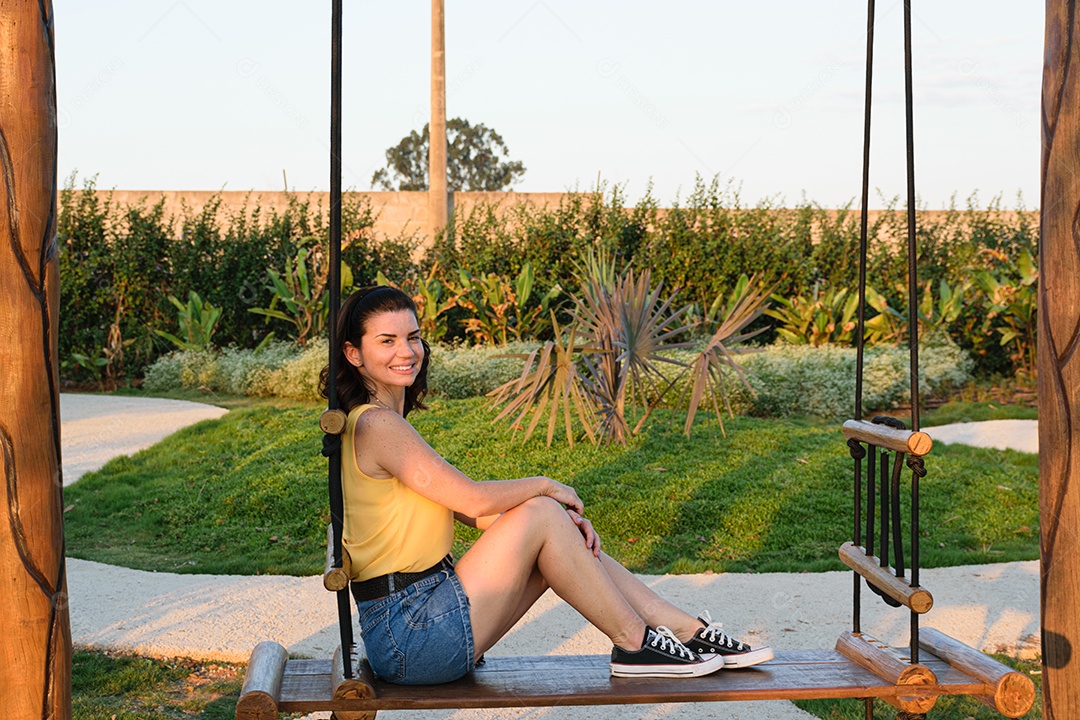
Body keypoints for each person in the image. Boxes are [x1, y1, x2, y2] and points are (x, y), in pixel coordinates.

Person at [320, 286, 773, 686]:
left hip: (419, 624)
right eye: (387, 340)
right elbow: (473, 496)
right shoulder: (378, 426)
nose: (407, 350)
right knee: (540, 511)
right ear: (354, 353)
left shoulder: (383, 424)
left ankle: (686, 631)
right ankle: (636, 645)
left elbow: (475, 516)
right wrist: (546, 487)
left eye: (413, 337)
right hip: (412, 634)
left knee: (552, 525)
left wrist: (565, 527)